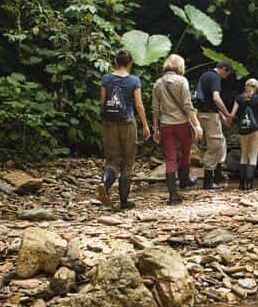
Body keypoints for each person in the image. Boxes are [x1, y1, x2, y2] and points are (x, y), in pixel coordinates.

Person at [97, 50, 150, 210]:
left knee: (112, 160)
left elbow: (103, 101)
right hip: (127, 122)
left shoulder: (106, 79)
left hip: (109, 122)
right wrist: (146, 125)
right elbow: (139, 105)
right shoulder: (134, 80)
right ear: (130, 63)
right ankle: (124, 201)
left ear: (115, 62)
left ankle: (104, 185)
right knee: (128, 162)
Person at [152, 54, 204, 205]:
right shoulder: (182, 81)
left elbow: (155, 109)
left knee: (170, 158)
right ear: (180, 66)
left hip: (166, 125)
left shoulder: (158, 83)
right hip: (182, 124)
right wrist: (197, 124)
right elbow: (188, 105)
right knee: (186, 153)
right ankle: (184, 181)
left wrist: (155, 128)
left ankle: (173, 195)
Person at [194, 61, 234, 190]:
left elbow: (209, 100)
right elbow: (216, 98)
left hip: (205, 113)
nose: (226, 77)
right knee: (215, 145)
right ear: (223, 69)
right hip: (209, 115)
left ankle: (218, 173)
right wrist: (227, 114)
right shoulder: (215, 77)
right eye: (227, 73)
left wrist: (222, 117)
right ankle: (208, 181)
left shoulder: (205, 75)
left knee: (221, 142)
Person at [229, 78, 258, 190]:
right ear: (257, 88)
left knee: (244, 155)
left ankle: (242, 184)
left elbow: (232, 114)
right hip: (255, 129)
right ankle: (249, 184)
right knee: (253, 157)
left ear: (245, 86)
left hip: (243, 130)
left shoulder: (239, 98)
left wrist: (228, 123)